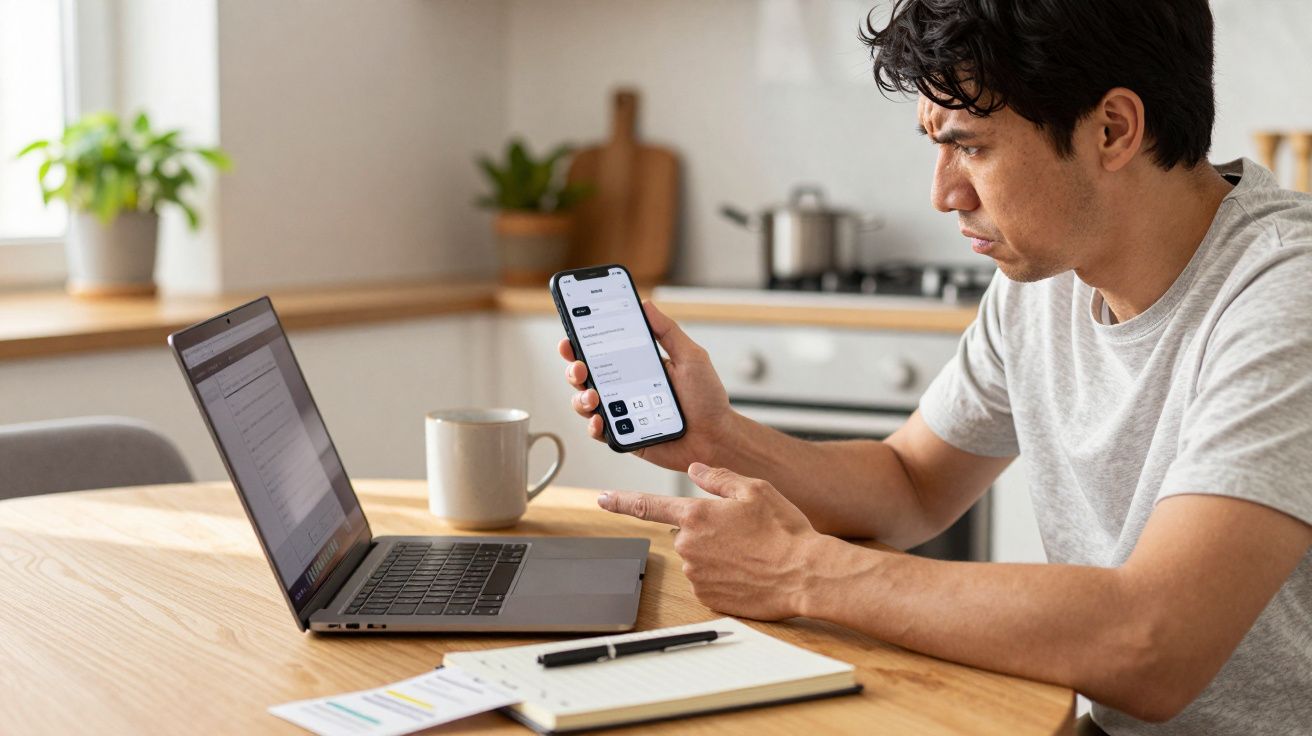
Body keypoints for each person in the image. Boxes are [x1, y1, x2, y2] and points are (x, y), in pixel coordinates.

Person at [557, 1, 1311, 733]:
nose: (943, 193)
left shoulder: (1286, 296)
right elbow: (912, 483)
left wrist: (801, 572)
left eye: (972, 146)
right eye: (937, 145)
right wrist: (718, 438)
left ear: (1112, 129)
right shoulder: (1046, 275)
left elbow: (1154, 644)